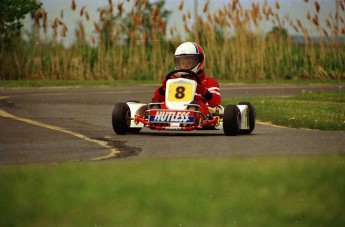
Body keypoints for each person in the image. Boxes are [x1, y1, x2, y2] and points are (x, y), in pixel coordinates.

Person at [152, 42, 221, 119]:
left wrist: (204, 92)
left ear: (199, 61)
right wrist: (163, 89)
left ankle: (191, 115)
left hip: (197, 109)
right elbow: (156, 98)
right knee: (157, 104)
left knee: (196, 105)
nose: (185, 65)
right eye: (182, 62)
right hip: (171, 108)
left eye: (189, 62)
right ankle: (156, 115)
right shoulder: (173, 80)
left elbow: (216, 102)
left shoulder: (207, 82)